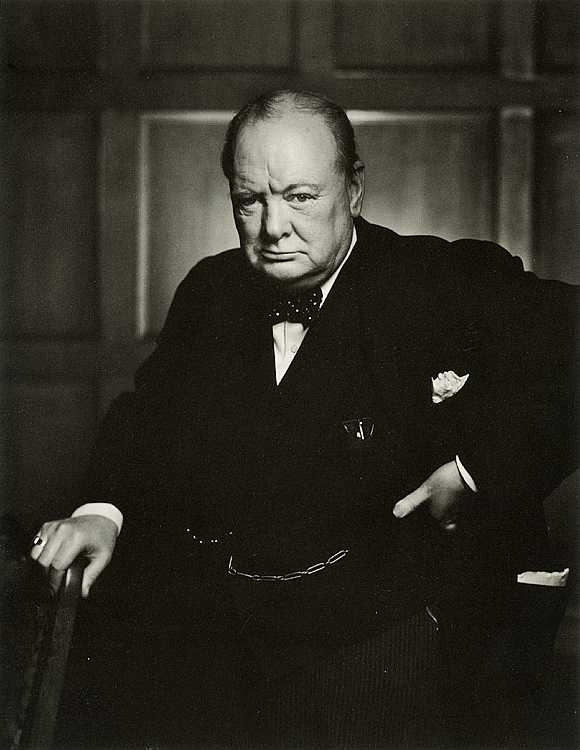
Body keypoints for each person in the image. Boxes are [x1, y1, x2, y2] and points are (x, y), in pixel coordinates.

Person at [30, 90, 577, 748]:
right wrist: (103, 510)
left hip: (396, 642)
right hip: (234, 642)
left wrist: (477, 469)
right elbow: (147, 419)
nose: (272, 227)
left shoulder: (439, 278)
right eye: (249, 200)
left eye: (299, 196)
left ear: (353, 190)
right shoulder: (210, 290)